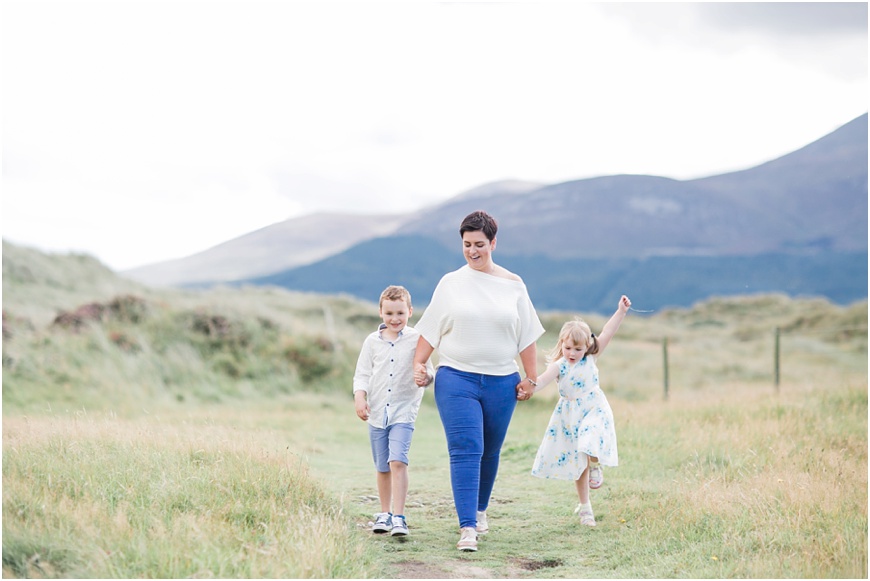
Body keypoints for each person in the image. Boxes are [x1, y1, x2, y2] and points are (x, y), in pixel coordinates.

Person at [413, 210, 545, 552]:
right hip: (456, 377)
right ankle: (467, 527)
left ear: (494, 243)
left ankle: (480, 509)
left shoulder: (514, 285)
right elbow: (429, 330)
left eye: (480, 244)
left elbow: (526, 337)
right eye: (467, 245)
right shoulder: (450, 283)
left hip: (502, 382)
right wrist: (419, 363)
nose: (473, 251)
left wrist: (531, 379)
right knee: (466, 449)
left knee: (490, 451)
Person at [520, 295, 632, 527]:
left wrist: (620, 311)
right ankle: (585, 508)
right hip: (570, 415)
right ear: (562, 344)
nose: (572, 352)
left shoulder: (591, 358)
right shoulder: (558, 366)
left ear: (587, 347)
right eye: (568, 347)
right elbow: (540, 382)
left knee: (589, 437)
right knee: (577, 462)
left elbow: (608, 332)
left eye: (578, 349)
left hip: (594, 409)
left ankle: (596, 465)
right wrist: (527, 389)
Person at [353, 285, 434, 537]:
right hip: (377, 411)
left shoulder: (417, 338)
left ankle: (399, 517)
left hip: (404, 411)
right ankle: (384, 513)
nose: (395, 319)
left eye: (400, 313)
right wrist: (360, 398)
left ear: (410, 311)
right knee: (382, 466)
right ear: (381, 312)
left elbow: (429, 369)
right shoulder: (371, 342)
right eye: (389, 313)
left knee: (397, 460)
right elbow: (362, 374)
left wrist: (426, 377)